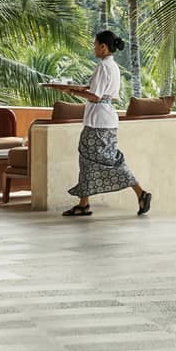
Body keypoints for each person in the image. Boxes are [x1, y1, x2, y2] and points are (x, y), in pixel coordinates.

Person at [55, 31, 152, 217]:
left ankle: (141, 193)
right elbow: (107, 94)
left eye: (95, 44)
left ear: (103, 47)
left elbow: (96, 96)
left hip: (98, 122)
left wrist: (72, 92)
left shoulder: (103, 67)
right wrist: (81, 88)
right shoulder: (113, 66)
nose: (93, 48)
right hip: (106, 120)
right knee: (92, 161)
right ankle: (84, 204)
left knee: (103, 161)